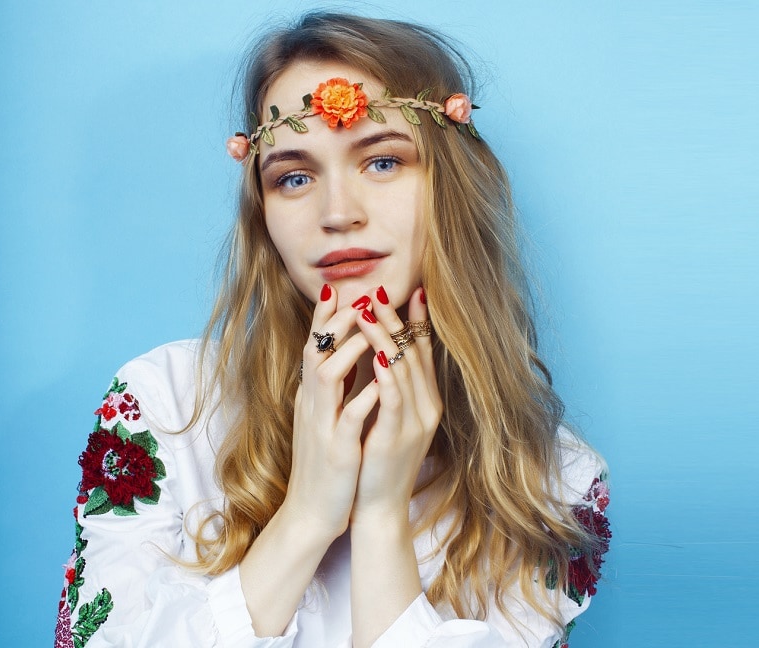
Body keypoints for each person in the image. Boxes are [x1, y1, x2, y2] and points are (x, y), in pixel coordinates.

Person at [53, 11, 611, 648]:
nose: (337, 213)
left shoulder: (552, 479)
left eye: (381, 162)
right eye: (294, 176)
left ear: (447, 186)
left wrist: (379, 519)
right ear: (264, 214)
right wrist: (309, 512)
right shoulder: (163, 405)